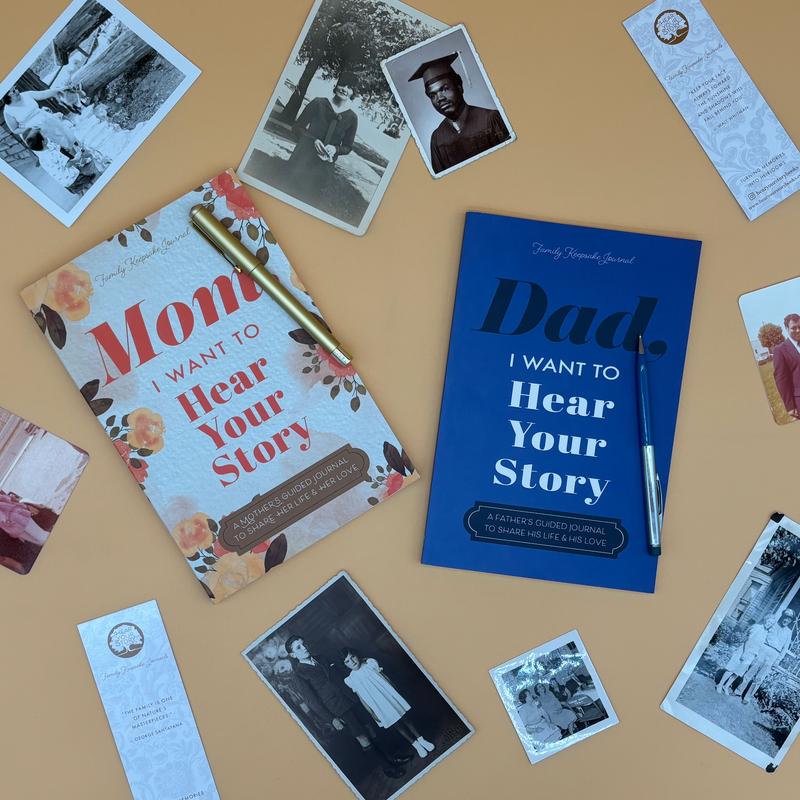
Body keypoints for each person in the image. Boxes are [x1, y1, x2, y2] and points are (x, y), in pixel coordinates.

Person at [285, 635, 408, 778]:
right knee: (362, 737)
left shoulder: (322, 658)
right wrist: (331, 719)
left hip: (351, 698)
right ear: (293, 655)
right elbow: (313, 702)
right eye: (298, 647)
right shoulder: (299, 675)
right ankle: (388, 768)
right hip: (338, 709)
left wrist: (363, 664)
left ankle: (392, 758)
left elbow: (344, 672)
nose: (304, 647)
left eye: (303, 644)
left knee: (371, 730)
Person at [408, 53, 510, 174]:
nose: (440, 98)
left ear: (459, 87)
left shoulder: (490, 118)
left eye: (444, 89)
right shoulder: (437, 138)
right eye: (432, 95)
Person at [341, 647, 435, 759]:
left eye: (352, 657)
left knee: (405, 718)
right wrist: (371, 712)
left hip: (388, 696)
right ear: (345, 665)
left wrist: (396, 694)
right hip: (378, 705)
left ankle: (421, 740)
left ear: (356, 654)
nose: (352, 661)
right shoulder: (351, 679)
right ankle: (416, 745)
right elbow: (361, 698)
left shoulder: (370, 663)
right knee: (396, 724)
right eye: (347, 661)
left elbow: (386, 678)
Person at [286, 72, 359, 202]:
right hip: (302, 159)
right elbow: (297, 127)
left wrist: (335, 149)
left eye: (350, 87)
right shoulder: (318, 103)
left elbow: (347, 147)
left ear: (353, 93)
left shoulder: (352, 118)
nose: (344, 89)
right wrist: (313, 140)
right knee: (288, 192)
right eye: (343, 84)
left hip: (323, 168)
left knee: (311, 200)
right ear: (336, 85)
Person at [735, 609, 796, 704]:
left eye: (789, 619)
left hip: (774, 655)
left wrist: (778, 660)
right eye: (785, 617)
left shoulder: (789, 632)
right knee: (750, 671)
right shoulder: (773, 624)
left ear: (791, 621)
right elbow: (763, 635)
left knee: (760, 677)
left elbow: (785, 648)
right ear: (782, 616)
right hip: (763, 649)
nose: (786, 620)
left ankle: (747, 697)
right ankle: (739, 690)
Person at [716, 616, 772, 694]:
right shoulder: (757, 627)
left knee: (738, 672)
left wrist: (755, 656)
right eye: (769, 621)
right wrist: (745, 653)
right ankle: (720, 685)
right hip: (744, 651)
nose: (769, 624)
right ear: (765, 620)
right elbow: (749, 641)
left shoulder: (765, 633)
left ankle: (726, 686)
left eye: (771, 623)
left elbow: (759, 646)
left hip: (752, 655)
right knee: (731, 669)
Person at [772, 314, 800, 419]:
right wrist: (790, 406)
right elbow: (781, 379)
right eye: (794, 328)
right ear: (786, 328)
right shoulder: (780, 350)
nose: (798, 330)